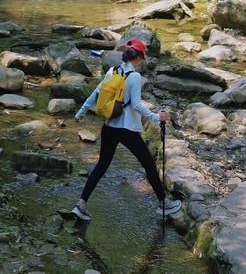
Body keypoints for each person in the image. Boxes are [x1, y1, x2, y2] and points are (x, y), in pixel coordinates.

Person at [71, 37, 182, 221]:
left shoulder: (113, 71)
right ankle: (164, 204)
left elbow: (96, 93)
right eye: (142, 57)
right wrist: (156, 117)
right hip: (126, 129)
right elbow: (136, 105)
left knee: (101, 166)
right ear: (138, 58)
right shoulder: (135, 77)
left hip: (108, 126)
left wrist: (81, 112)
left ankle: (81, 205)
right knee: (148, 164)